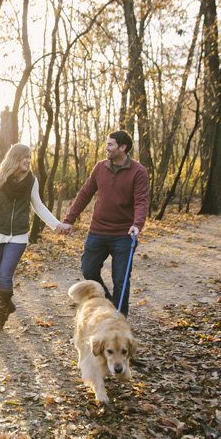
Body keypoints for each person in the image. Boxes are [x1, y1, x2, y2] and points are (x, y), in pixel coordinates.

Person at [0, 144, 72, 333]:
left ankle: (0, 319)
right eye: (25, 157)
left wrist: (57, 225)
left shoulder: (31, 181)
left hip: (18, 235)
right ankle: (7, 303)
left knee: (5, 275)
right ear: (15, 157)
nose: (28, 161)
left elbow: (39, 206)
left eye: (30, 158)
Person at [59, 130, 149, 316]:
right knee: (88, 269)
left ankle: (119, 319)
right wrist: (69, 220)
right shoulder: (100, 167)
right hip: (97, 231)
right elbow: (85, 194)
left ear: (122, 147)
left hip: (123, 235)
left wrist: (137, 225)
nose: (106, 148)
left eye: (110, 144)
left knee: (121, 279)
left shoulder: (138, 172)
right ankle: (109, 304)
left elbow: (141, 201)